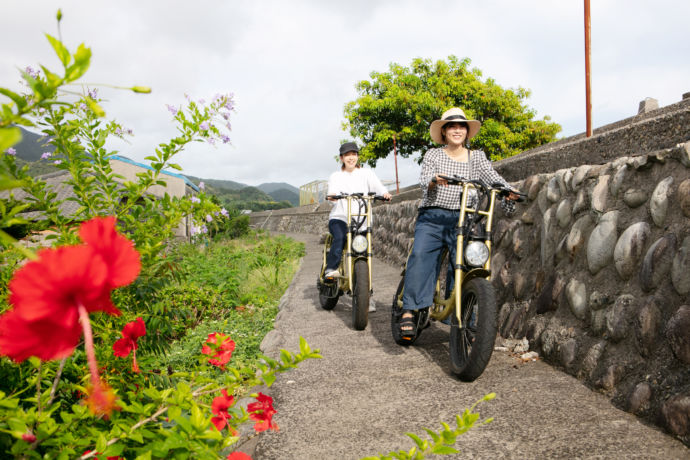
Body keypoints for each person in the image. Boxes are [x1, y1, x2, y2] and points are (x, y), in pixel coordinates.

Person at [398, 107, 520, 337]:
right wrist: (434, 180)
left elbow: (492, 177)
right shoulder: (433, 155)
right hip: (433, 217)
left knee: (468, 265)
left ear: (467, 132)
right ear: (443, 132)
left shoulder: (478, 157)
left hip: (466, 219)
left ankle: (463, 314)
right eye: (452, 126)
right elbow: (425, 177)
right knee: (421, 256)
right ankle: (410, 310)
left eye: (461, 126)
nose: (457, 130)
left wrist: (508, 190)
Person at [324, 141, 392, 279]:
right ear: (341, 158)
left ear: (357, 156)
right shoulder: (336, 176)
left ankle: (363, 287)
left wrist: (385, 193)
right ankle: (330, 269)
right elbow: (332, 192)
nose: (351, 157)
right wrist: (332, 196)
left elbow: (379, 187)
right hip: (340, 218)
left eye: (353, 154)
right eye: (347, 155)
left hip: (362, 219)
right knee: (341, 237)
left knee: (363, 250)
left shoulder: (366, 173)